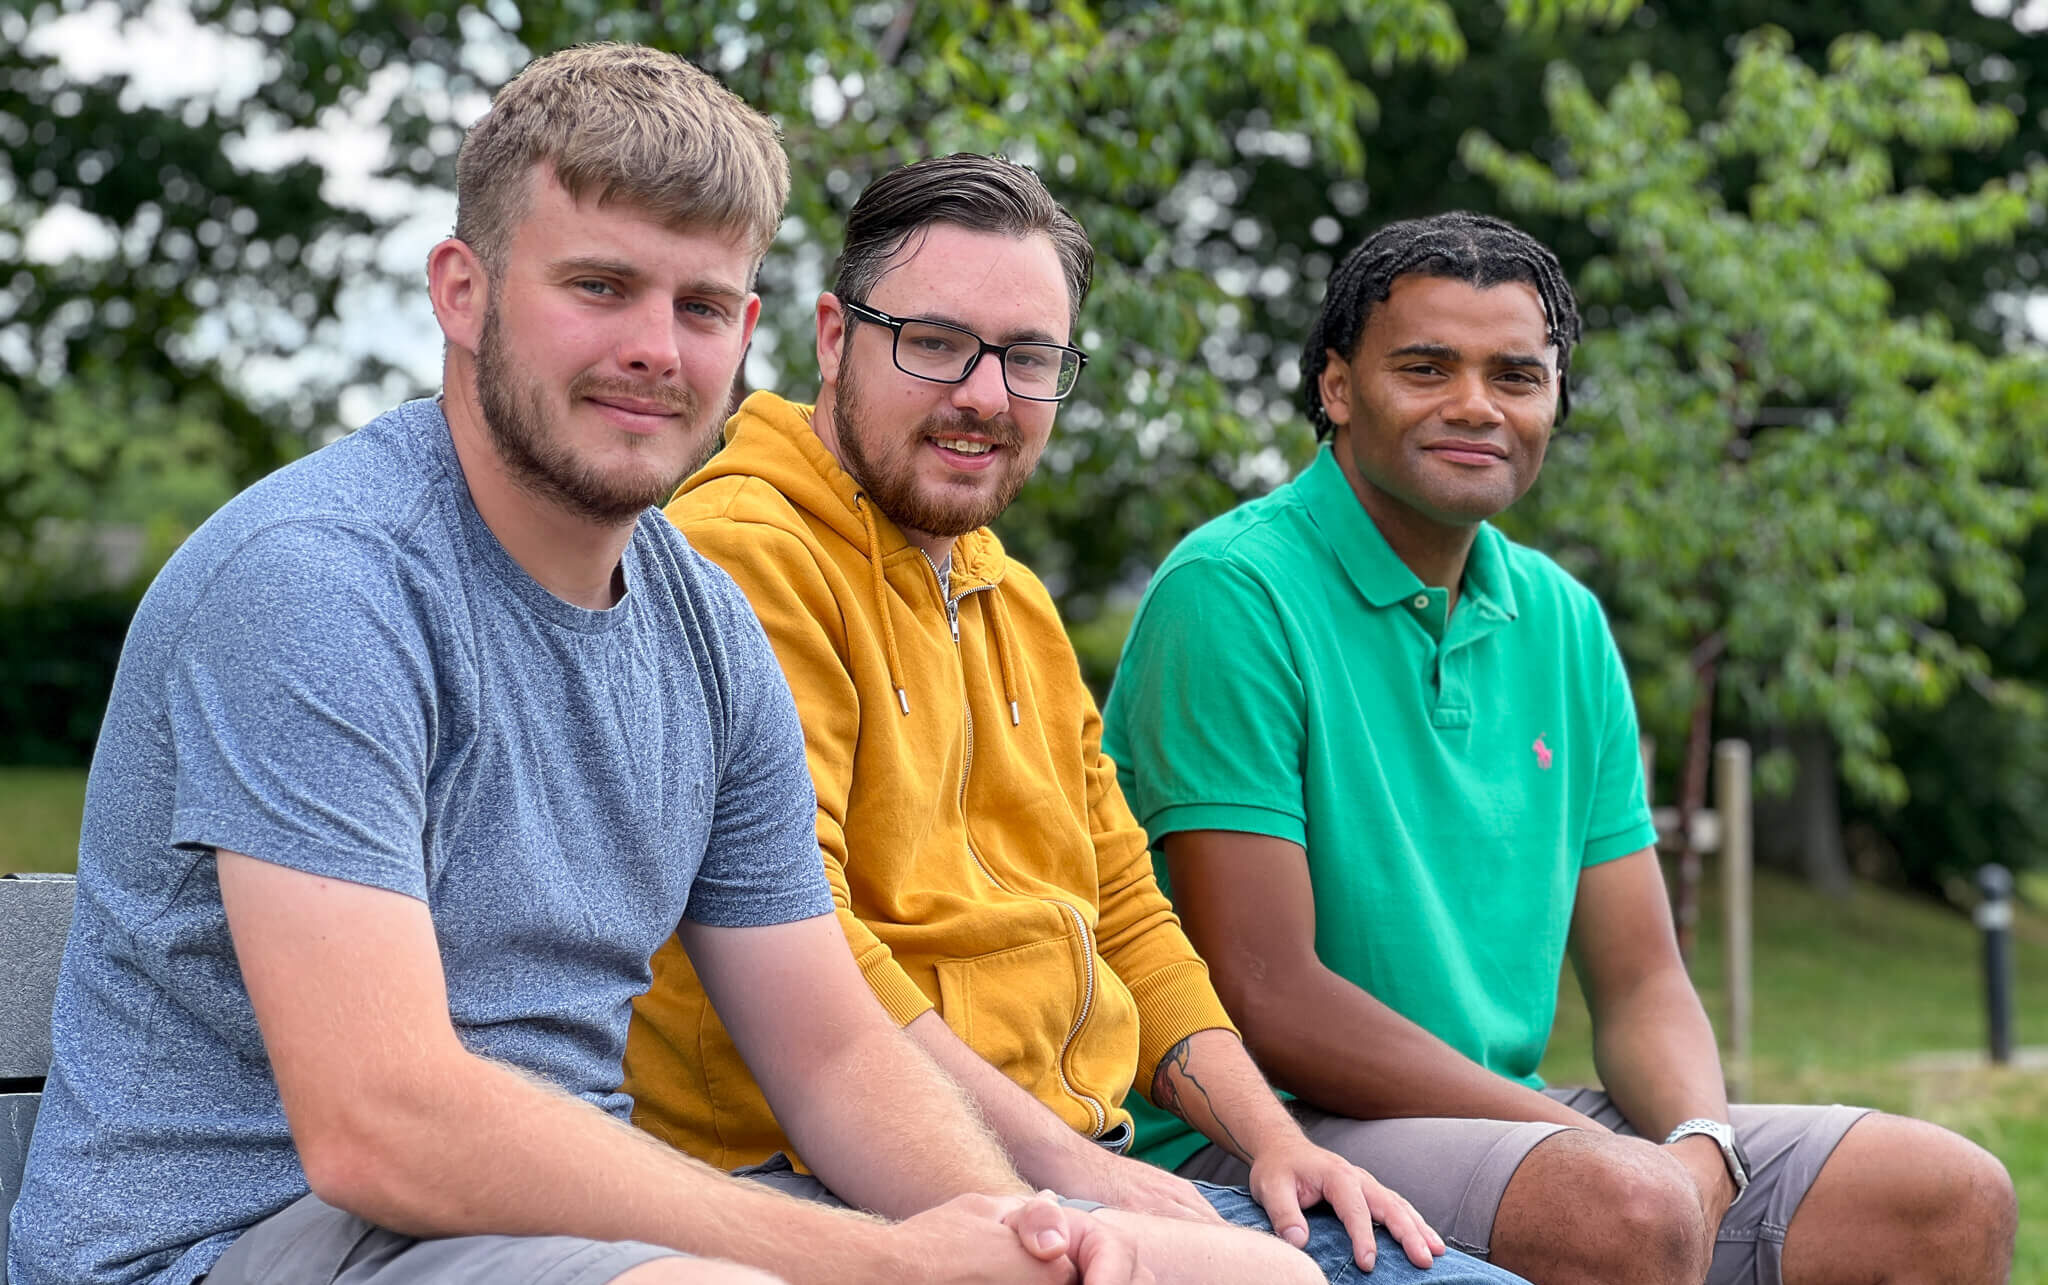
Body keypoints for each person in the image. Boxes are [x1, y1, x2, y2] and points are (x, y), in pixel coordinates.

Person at [8, 45, 1151, 1285]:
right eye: (600, 286)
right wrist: (878, 1266)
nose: (656, 348)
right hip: (237, 1242)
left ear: (747, 331)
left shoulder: (706, 634)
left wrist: (1022, 1240)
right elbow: (381, 1126)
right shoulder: (322, 583)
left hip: (559, 1236)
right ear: (462, 291)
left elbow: (829, 1052)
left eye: (701, 306)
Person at [624, 155, 1526, 1285]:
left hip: (1072, 1161)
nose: (985, 396)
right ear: (831, 337)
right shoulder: (744, 559)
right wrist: (1066, 1167)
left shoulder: (1011, 598)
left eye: (1029, 359)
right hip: (834, 1185)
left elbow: (1130, 918)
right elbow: (813, 948)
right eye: (935, 342)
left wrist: (1274, 1143)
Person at [1100, 210, 2019, 1285]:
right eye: (1425, 367)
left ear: (1553, 401)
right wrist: (1576, 1139)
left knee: (1945, 1195)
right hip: (1264, 1134)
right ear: (1337, 388)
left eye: (1514, 375)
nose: (1474, 406)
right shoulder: (1232, 592)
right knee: (1618, 1205)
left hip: (1508, 1120)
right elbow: (1266, 990)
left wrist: (1697, 1143)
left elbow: (1636, 982)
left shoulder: (1562, 621)